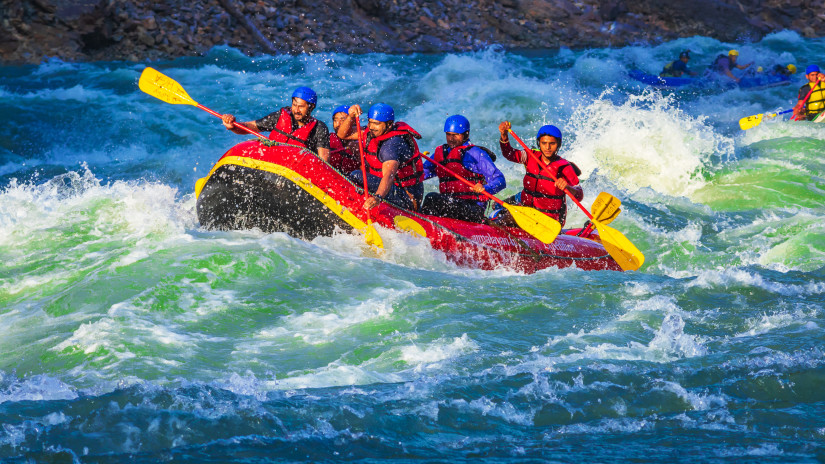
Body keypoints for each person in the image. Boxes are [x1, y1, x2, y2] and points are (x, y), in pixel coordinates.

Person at [337, 103, 424, 211]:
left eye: (376, 124)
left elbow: (389, 175)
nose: (371, 127)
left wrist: (378, 197)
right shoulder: (372, 132)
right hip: (391, 188)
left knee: (356, 176)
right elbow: (342, 135)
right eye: (370, 122)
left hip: (406, 197)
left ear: (389, 124)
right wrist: (350, 117)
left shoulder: (392, 145)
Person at [419, 115, 506, 223]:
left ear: (466, 134)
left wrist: (485, 188)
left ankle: (424, 226)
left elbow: (500, 180)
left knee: (432, 198)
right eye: (448, 135)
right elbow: (422, 173)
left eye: (455, 135)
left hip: (473, 209)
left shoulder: (476, 153)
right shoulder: (441, 153)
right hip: (450, 204)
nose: (451, 139)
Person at [495, 122, 583, 227]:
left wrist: (567, 187)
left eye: (552, 143)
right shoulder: (530, 156)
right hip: (527, 210)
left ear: (558, 144)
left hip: (549, 219)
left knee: (502, 221)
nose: (547, 147)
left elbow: (579, 195)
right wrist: (504, 135)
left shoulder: (564, 167)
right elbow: (509, 154)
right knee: (497, 208)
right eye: (544, 143)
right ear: (539, 143)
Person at [221, 86, 330, 162]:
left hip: (295, 173)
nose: (296, 110)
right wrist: (233, 126)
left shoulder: (319, 128)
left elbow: (324, 162)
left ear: (311, 107)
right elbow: (250, 127)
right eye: (294, 105)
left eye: (301, 107)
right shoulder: (280, 117)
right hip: (271, 163)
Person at [328, 105, 361, 173]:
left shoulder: (359, 141)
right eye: (335, 120)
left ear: (352, 122)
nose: (338, 124)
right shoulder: (328, 139)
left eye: (342, 120)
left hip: (352, 179)